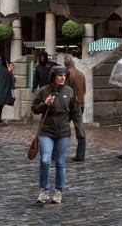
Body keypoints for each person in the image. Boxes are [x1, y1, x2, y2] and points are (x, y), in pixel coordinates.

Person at [31, 65, 84, 204]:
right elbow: (34, 109)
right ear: (53, 76)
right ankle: (44, 190)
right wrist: (45, 104)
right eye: (59, 75)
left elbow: (76, 112)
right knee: (45, 160)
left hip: (63, 132)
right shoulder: (44, 91)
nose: (62, 78)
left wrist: (80, 131)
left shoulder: (69, 91)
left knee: (60, 162)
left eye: (64, 75)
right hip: (46, 131)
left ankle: (58, 191)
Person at [64, 55, 86, 162]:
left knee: (61, 127)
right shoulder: (81, 73)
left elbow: (66, 91)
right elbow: (84, 90)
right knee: (80, 129)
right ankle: (80, 154)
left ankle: (56, 152)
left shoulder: (68, 74)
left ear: (65, 64)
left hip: (71, 105)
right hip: (81, 103)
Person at [0, 54, 13, 127]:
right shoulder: (4, 70)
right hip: (2, 92)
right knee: (0, 106)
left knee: (0, 106)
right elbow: (10, 78)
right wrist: (9, 70)